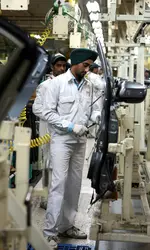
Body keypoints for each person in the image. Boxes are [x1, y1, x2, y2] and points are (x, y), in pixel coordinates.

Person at [42, 48, 102, 248]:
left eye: (89, 66)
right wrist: (69, 126)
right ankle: (50, 232)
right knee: (58, 185)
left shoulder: (89, 86)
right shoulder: (57, 84)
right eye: (85, 65)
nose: (88, 70)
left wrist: (95, 118)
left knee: (74, 185)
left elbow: (94, 109)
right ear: (75, 63)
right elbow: (47, 112)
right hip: (62, 140)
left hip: (80, 141)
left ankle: (67, 226)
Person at [32, 53, 67, 210]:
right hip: (49, 131)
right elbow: (37, 108)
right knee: (49, 164)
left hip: (64, 132)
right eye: (58, 65)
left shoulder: (68, 85)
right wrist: (54, 117)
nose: (61, 68)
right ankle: (46, 199)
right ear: (52, 67)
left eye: (63, 66)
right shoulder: (45, 86)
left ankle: (58, 198)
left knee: (62, 165)